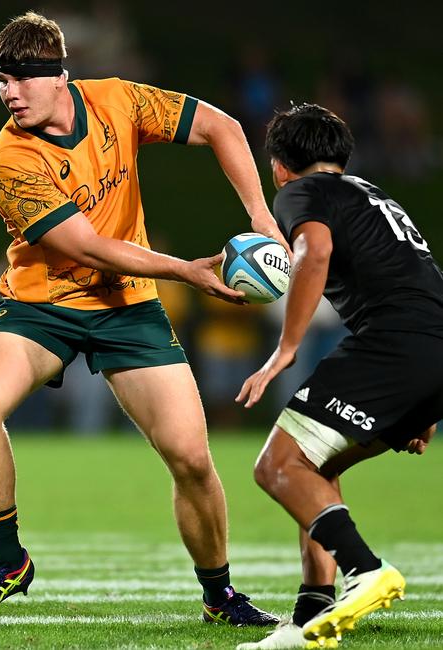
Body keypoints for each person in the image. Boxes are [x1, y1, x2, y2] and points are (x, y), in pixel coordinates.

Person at [0, 11, 288, 629]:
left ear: (60, 76)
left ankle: (220, 597)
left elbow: (223, 127)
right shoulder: (10, 158)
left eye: (23, 78)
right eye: (3, 80)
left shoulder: (117, 101)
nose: (9, 93)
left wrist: (261, 219)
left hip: (126, 306)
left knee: (190, 456)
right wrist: (187, 270)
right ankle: (7, 562)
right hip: (42, 304)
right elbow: (86, 246)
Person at [234, 103, 443, 649]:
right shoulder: (369, 193)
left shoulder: (301, 193)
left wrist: (286, 348)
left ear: (279, 166)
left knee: (276, 466)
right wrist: (421, 398)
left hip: (394, 344)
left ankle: (365, 570)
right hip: (426, 346)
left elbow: (314, 250)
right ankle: (313, 611)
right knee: (312, 463)